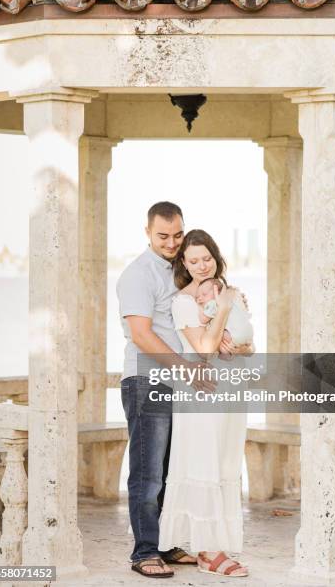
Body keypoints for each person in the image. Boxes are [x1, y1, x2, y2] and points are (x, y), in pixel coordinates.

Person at [117, 202, 214, 579]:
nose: (172, 242)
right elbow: (142, 335)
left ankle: (165, 543)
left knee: (172, 469)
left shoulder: (178, 271)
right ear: (147, 232)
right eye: (163, 236)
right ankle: (143, 552)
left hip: (176, 382)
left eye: (177, 234)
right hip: (146, 381)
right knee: (148, 472)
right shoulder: (138, 274)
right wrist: (188, 369)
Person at [158, 229, 251, 577]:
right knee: (204, 464)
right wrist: (225, 306)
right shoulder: (183, 302)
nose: (202, 265)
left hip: (231, 390)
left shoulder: (228, 291)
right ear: (183, 262)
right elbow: (206, 349)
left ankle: (218, 545)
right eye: (194, 260)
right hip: (201, 393)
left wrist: (241, 347)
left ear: (216, 256)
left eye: (207, 258)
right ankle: (207, 552)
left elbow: (249, 344)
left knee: (227, 464)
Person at [195, 277, 255, 353]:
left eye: (204, 294)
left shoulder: (214, 303)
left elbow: (203, 320)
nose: (199, 298)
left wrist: (200, 307)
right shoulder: (233, 294)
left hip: (235, 334)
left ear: (218, 292)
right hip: (248, 332)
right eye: (196, 297)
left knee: (223, 343)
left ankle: (226, 355)